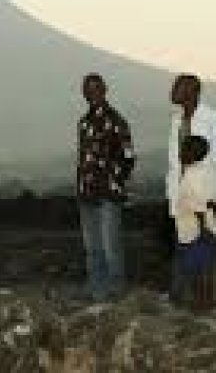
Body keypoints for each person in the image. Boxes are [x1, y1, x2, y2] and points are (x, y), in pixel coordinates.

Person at [166, 74, 216, 302]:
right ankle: (188, 300)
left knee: (207, 254)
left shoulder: (214, 121)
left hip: (206, 200)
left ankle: (207, 303)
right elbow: (174, 164)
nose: (173, 90)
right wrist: (173, 197)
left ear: (193, 91)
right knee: (187, 250)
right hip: (184, 198)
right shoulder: (177, 121)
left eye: (178, 86)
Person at [76, 73, 136, 301]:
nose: (91, 93)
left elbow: (128, 156)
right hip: (86, 192)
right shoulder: (83, 123)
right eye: (87, 89)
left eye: (95, 88)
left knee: (111, 245)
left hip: (108, 193)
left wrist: (114, 180)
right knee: (92, 247)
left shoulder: (117, 121)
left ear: (104, 90)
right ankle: (96, 288)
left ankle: (116, 291)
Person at [175, 135, 216, 311]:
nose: (180, 152)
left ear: (192, 154)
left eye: (184, 149)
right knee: (198, 268)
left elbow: (200, 205)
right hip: (191, 228)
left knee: (199, 269)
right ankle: (202, 300)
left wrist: (203, 230)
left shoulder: (195, 174)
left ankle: (203, 301)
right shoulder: (193, 172)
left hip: (196, 230)